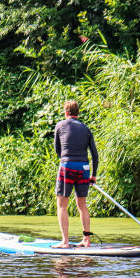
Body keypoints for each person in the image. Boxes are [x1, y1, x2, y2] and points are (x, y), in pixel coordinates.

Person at [53, 100, 98, 248]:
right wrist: (93, 175)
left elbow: (57, 150)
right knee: (82, 204)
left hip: (67, 166)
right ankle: (86, 240)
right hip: (84, 168)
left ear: (66, 113)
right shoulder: (86, 129)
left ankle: (65, 241)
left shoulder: (60, 125)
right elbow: (95, 154)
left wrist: (66, 160)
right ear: (78, 113)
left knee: (62, 205)